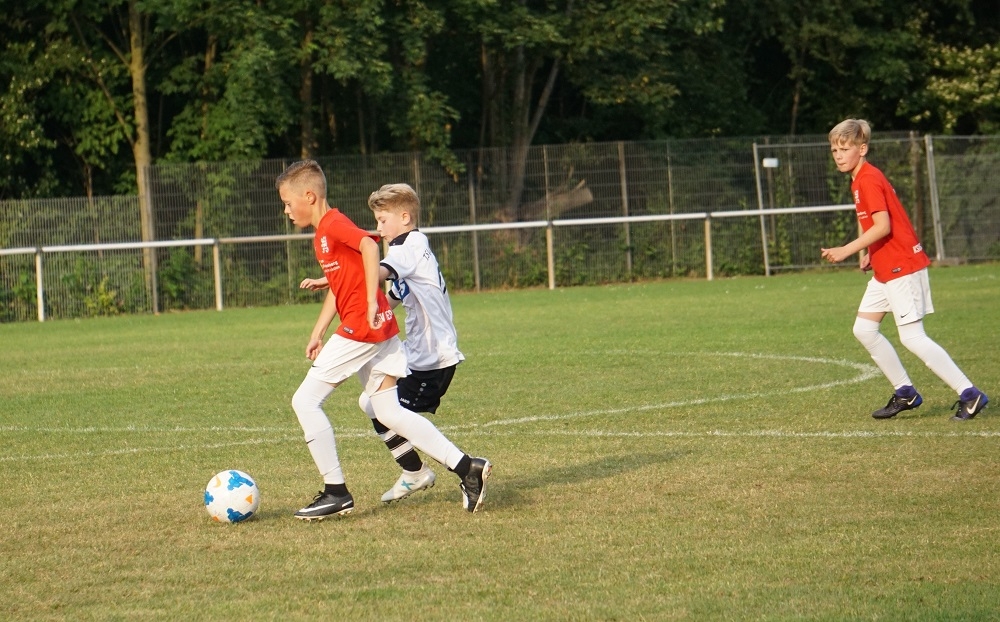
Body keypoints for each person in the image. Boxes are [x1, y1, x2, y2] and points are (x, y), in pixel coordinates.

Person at [276, 160, 492, 520]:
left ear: (309, 196)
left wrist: (373, 301)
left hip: (365, 327)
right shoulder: (324, 233)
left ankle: (336, 492)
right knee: (385, 411)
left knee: (305, 401)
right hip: (379, 328)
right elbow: (346, 281)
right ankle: (466, 468)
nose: (285, 210)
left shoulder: (334, 225)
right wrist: (318, 331)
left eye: (287, 202)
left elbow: (367, 247)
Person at [299, 182, 465, 505]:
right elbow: (389, 298)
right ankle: (415, 471)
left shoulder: (406, 249)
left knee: (385, 411)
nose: (378, 228)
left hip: (432, 359)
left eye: (383, 220)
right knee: (373, 404)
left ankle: (461, 467)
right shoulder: (414, 246)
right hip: (423, 354)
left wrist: (334, 277)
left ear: (405, 217)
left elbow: (371, 274)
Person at [820, 119, 988, 421]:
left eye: (845, 149)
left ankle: (970, 394)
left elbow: (883, 226)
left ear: (862, 149)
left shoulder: (868, 178)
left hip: (902, 267)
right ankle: (906, 393)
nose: (839, 155)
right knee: (864, 329)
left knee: (912, 337)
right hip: (886, 268)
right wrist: (867, 252)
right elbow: (870, 220)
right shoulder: (858, 179)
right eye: (834, 150)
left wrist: (846, 249)